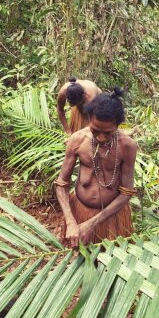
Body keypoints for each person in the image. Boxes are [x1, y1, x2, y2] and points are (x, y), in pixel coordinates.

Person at [55, 88, 137, 247]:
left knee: (111, 263)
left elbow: (127, 191)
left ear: (118, 125)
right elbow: (61, 183)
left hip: (113, 217)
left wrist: (93, 223)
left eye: (107, 133)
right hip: (80, 212)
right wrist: (71, 221)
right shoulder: (77, 139)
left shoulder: (127, 146)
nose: (100, 138)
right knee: (82, 263)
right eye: (95, 131)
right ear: (89, 120)